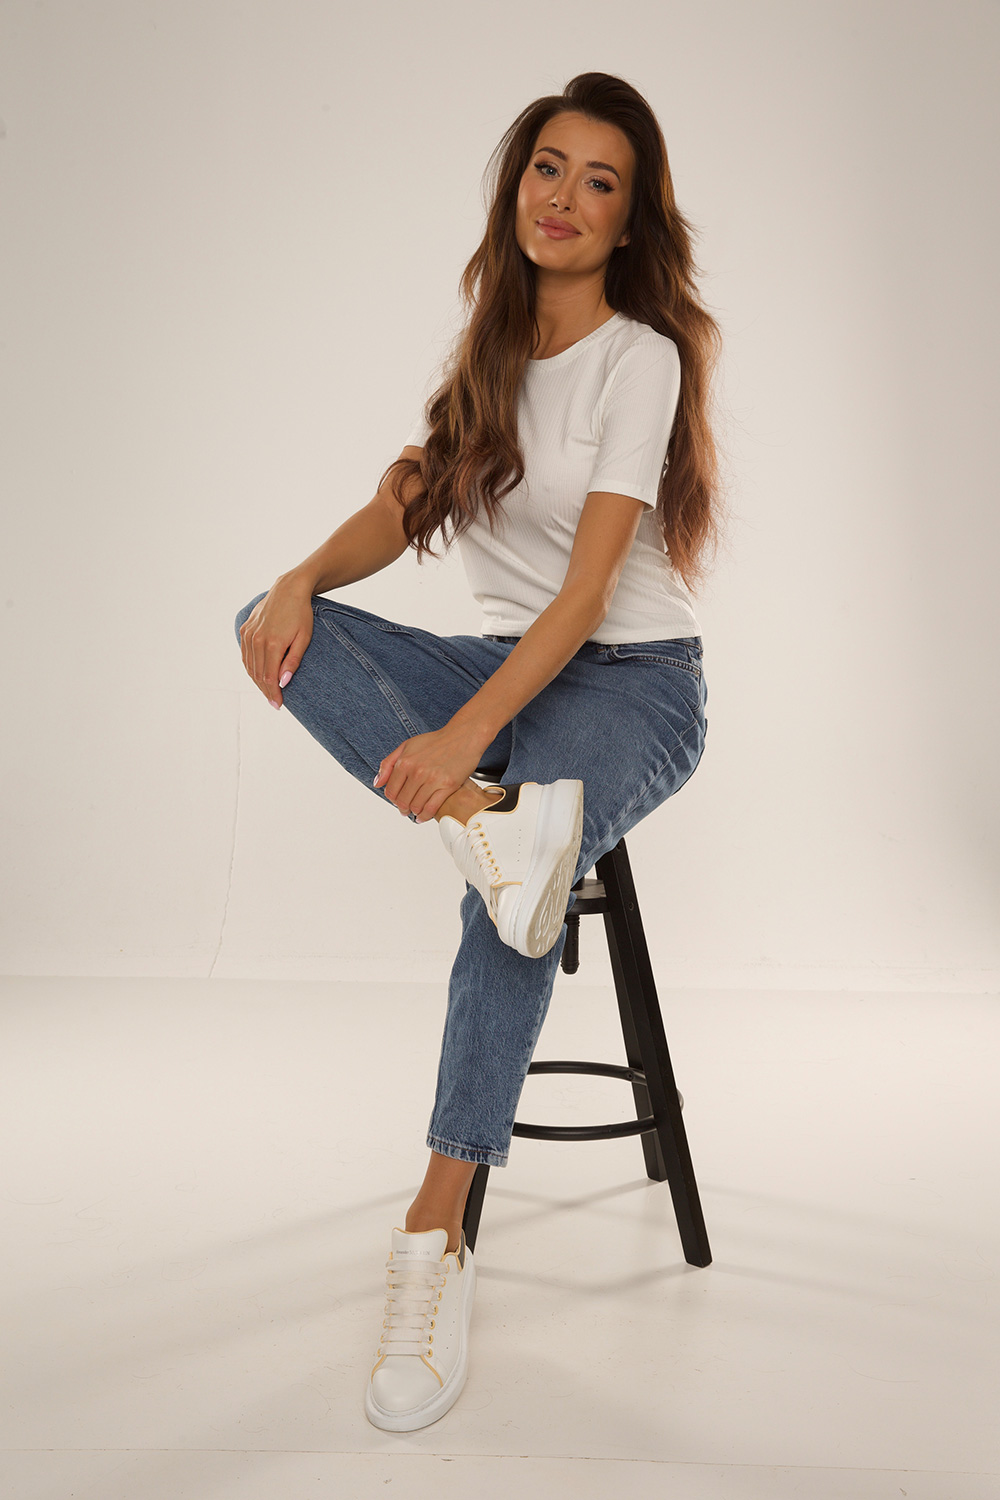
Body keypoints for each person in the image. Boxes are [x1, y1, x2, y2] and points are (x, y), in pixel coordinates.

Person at [234, 71, 725, 1433]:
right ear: (517, 187)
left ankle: (434, 1231)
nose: (564, 198)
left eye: (600, 182)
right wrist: (296, 580)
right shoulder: (492, 349)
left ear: (630, 220)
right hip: (511, 671)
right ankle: (501, 826)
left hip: (630, 685)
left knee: (508, 905)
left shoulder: (640, 358)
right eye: (548, 169)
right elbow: (404, 510)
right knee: (269, 625)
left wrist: (457, 740)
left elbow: (586, 598)